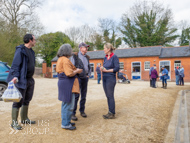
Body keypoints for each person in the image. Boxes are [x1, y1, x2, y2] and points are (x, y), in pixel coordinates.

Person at [6, 34, 36, 130]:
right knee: (18, 101)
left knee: (27, 100)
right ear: (30, 40)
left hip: (30, 79)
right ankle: (14, 122)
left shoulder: (32, 52)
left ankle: (24, 119)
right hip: (21, 79)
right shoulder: (20, 50)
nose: (35, 41)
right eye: (34, 40)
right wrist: (15, 76)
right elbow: (15, 65)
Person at [56, 44, 82, 130]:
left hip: (64, 83)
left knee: (65, 104)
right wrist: (77, 71)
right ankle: (65, 124)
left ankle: (66, 121)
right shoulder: (65, 60)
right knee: (69, 105)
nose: (71, 51)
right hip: (68, 84)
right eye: (70, 50)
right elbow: (69, 73)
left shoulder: (60, 59)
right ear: (67, 51)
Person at [70, 42, 91, 121]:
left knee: (84, 95)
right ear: (81, 48)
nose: (87, 48)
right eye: (85, 47)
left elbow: (89, 67)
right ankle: (73, 113)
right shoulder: (75, 56)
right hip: (77, 78)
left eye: (87, 47)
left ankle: (82, 111)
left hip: (85, 78)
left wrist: (88, 74)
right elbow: (72, 67)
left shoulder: (87, 57)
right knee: (76, 96)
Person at [100, 43, 119, 119]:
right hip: (104, 78)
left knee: (110, 95)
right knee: (107, 95)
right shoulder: (105, 58)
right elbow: (105, 68)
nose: (103, 49)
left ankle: (112, 113)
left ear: (108, 49)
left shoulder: (114, 57)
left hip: (110, 78)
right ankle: (110, 112)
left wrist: (106, 70)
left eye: (104, 48)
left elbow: (116, 68)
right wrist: (102, 68)